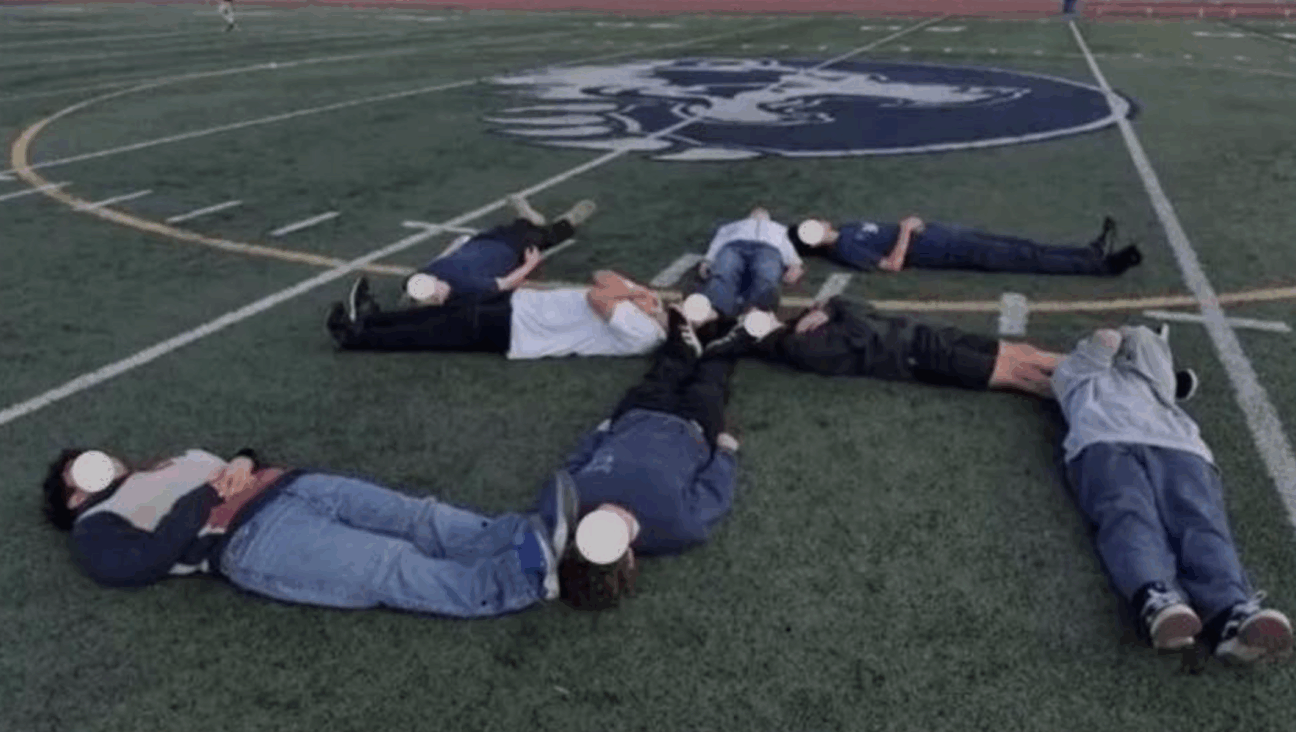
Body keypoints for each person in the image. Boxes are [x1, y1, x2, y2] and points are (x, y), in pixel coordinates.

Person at [40, 446, 579, 618]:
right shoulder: (93, 527)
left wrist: (245, 458)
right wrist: (209, 494)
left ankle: (520, 535)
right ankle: (520, 580)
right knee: (386, 564)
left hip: (292, 485)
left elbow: (238, 458)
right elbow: (139, 563)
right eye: (80, 468)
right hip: (250, 540)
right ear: (74, 496)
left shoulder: (164, 462)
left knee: (420, 516)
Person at [1051, 324, 1292, 663]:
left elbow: (1151, 351)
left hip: (1177, 446)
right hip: (1104, 442)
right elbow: (1106, 341)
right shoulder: (1072, 373)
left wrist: (1141, 339)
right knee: (1129, 514)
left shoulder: (1156, 383)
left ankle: (1231, 613)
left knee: (1201, 522)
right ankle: (1157, 596)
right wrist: (1129, 334)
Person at [535, 307, 742, 610]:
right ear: (629, 557)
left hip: (637, 414)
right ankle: (728, 335)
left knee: (666, 370)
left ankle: (686, 338)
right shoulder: (679, 527)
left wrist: (600, 433)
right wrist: (726, 452)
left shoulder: (565, 505)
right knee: (711, 379)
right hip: (694, 426)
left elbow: (572, 465)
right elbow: (714, 492)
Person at [695, 294, 1064, 398]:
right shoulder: (798, 348)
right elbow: (861, 329)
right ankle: (1086, 395)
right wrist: (832, 308)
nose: (759, 310)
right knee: (1020, 375)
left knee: (1024, 352)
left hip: (922, 333)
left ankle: (1087, 366)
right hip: (916, 356)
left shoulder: (801, 324)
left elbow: (863, 308)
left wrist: (830, 307)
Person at [326, 269, 666, 359]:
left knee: (433, 331)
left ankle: (356, 337)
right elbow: (602, 275)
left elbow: (596, 296)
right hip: (522, 307)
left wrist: (636, 293)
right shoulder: (645, 311)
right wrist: (640, 295)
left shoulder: (647, 334)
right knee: (439, 315)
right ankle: (371, 319)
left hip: (520, 330)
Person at [787, 215, 1142, 276]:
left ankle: (1088, 253)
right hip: (944, 252)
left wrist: (917, 225)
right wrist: (908, 233)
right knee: (1023, 258)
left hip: (942, 235)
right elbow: (891, 265)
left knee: (1022, 245)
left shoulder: (848, 228)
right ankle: (1103, 266)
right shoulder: (844, 248)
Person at [402, 196, 595, 306]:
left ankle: (527, 217)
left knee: (520, 228)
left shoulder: (426, 275)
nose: (439, 290)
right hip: (512, 252)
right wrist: (529, 265)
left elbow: (439, 260)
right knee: (543, 236)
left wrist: (455, 246)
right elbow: (505, 283)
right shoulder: (469, 288)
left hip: (482, 241)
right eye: (438, 297)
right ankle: (569, 220)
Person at [689, 207, 804, 321]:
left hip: (768, 249)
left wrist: (795, 264)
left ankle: (757, 314)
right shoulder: (731, 226)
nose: (759, 213)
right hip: (734, 246)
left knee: (766, 274)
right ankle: (713, 312)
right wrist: (708, 260)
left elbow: (787, 246)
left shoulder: (779, 228)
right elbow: (718, 242)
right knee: (723, 271)